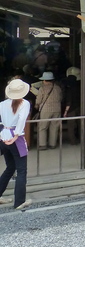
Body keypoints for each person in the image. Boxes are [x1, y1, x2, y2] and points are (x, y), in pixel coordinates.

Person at [0, 78, 32, 210]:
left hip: (4, 136)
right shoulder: (25, 103)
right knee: (21, 170)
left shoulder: (2, 104)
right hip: (15, 138)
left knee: (10, 167)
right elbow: (22, 119)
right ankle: (19, 201)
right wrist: (17, 135)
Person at [35, 71, 63, 150]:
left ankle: (43, 144)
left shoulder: (42, 88)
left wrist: (36, 105)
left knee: (43, 127)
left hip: (45, 110)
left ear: (44, 80)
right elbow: (61, 98)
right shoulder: (58, 88)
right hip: (57, 109)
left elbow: (39, 99)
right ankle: (52, 144)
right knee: (54, 126)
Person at [62, 67, 82, 145]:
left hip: (71, 109)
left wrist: (66, 111)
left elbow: (69, 101)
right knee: (80, 124)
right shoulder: (79, 86)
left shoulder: (69, 88)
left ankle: (73, 141)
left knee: (71, 125)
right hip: (79, 107)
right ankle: (81, 138)